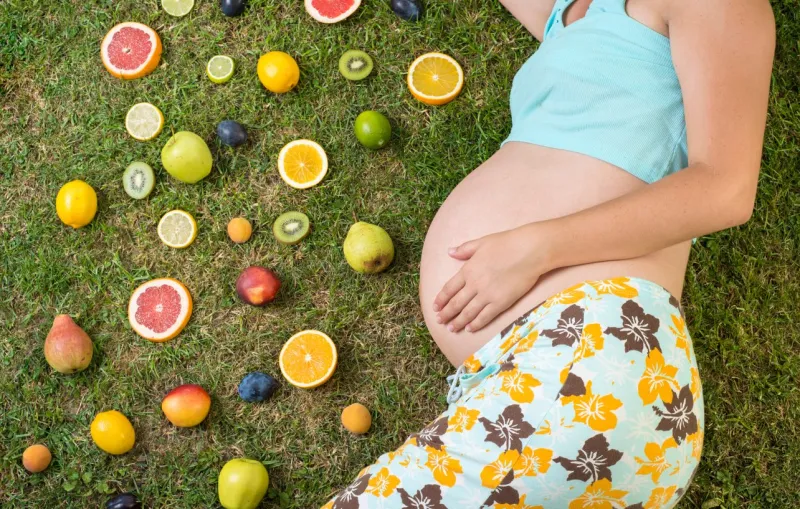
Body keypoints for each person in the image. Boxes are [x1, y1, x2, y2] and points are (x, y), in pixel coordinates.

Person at [325, 0, 774, 507]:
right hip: (553, 386)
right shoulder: (570, 15)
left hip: (591, 356)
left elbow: (725, 188)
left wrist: (537, 248)